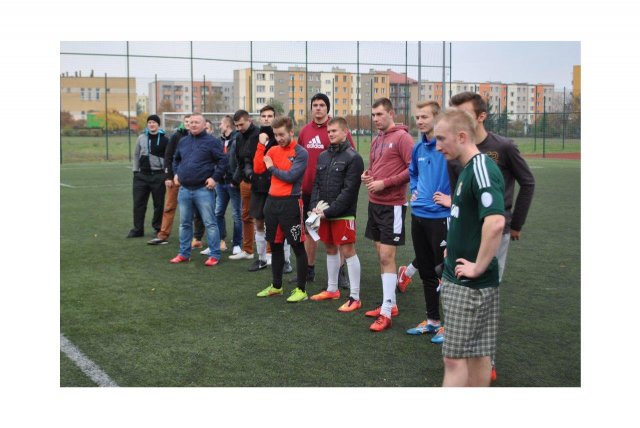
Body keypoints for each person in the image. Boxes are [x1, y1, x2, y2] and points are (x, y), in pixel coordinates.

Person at [433, 108, 505, 387]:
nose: (438, 146)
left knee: (454, 360)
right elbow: (468, 216)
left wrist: (478, 267)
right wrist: (452, 246)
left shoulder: (481, 168)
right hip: (461, 279)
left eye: (442, 139)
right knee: (477, 354)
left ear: (461, 136)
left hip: (469, 286)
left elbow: (495, 222)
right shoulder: (468, 169)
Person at [448, 92, 535, 282]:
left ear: (482, 116)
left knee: (487, 283)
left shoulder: (504, 147)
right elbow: (456, 196)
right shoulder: (454, 150)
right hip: (465, 230)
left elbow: (528, 182)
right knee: (460, 281)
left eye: (464, 114)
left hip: (494, 228)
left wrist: (516, 223)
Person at [361, 98, 414, 332]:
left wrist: (385, 183)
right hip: (375, 204)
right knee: (380, 256)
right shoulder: (377, 139)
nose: (375, 119)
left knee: (386, 257)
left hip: (393, 205)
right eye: (373, 115)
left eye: (380, 114)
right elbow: (375, 168)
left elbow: (412, 169)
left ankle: (386, 312)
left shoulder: (403, 138)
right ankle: (389, 304)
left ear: (391, 113)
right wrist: (368, 175)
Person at [401, 101, 452, 338]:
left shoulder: (448, 148)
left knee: (444, 272)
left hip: (440, 217)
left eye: (424, 117)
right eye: (417, 117)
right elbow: (413, 173)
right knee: (427, 273)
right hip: (418, 215)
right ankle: (432, 320)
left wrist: (452, 199)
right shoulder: (418, 148)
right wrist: (414, 190)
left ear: (437, 118)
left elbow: (464, 175)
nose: (419, 121)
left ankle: (451, 327)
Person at [295, 93, 355, 285]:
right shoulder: (305, 131)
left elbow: (350, 156)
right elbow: (297, 158)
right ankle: (308, 270)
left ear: (327, 108)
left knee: (337, 235)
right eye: (315, 105)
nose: (318, 108)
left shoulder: (335, 129)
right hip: (308, 191)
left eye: (322, 105)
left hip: (332, 193)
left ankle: (340, 272)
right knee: (309, 231)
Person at [308, 117, 364, 312]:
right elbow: (316, 184)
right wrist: (314, 207)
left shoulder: (354, 158)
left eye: (334, 131)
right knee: (330, 248)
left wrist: (328, 212)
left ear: (345, 132)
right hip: (324, 213)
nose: (330, 134)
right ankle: (332, 289)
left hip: (343, 214)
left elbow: (349, 192)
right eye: (329, 131)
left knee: (348, 251)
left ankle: (355, 297)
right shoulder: (323, 156)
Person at [254, 116, 309, 303]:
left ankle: (301, 290)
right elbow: (258, 169)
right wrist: (261, 146)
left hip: (291, 203)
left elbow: (291, 176)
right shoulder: (272, 149)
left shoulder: (301, 152)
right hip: (272, 203)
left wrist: (272, 168)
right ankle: (277, 286)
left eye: (282, 134)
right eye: (276, 135)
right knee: (275, 244)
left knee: (297, 246)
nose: (279, 138)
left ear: (291, 132)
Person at [168, 113, 227, 266]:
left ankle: (214, 255)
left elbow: (223, 161)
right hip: (184, 189)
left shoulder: (212, 142)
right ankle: (184, 254)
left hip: (203, 190)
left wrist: (215, 178)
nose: (193, 124)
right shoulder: (183, 141)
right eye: (191, 122)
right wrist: (176, 173)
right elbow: (176, 159)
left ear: (204, 124)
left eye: (197, 122)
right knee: (184, 224)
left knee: (210, 223)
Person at [244, 105, 290, 273]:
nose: (266, 118)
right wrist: (250, 174)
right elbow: (247, 159)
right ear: (260, 118)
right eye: (263, 116)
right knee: (259, 223)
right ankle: (262, 259)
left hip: (277, 187)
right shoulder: (255, 137)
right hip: (258, 187)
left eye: (270, 116)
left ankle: (286, 261)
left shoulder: (280, 137)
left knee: (281, 225)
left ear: (275, 117)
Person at [201, 115, 242, 256]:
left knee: (236, 214)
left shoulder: (237, 139)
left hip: (233, 183)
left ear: (228, 125)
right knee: (218, 212)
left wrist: (235, 179)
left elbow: (239, 161)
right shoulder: (219, 141)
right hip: (221, 182)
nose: (219, 126)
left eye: (221, 124)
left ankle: (237, 244)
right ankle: (217, 242)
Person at [147, 115, 190, 245]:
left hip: (193, 179)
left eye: (192, 122)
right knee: (169, 207)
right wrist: (168, 176)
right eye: (187, 121)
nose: (189, 124)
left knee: (195, 210)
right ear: (183, 123)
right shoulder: (176, 136)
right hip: (175, 178)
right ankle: (163, 235)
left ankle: (196, 238)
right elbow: (168, 156)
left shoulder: (199, 138)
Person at [128, 114, 169, 238]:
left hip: (158, 176)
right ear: (147, 124)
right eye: (149, 122)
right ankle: (138, 229)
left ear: (158, 124)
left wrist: (166, 174)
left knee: (158, 204)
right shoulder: (141, 138)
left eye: (154, 122)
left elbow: (168, 157)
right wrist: (136, 171)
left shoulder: (165, 139)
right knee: (138, 204)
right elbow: (136, 155)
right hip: (141, 176)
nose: (151, 124)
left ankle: (157, 228)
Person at [228, 110, 258, 261]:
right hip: (245, 182)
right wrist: (236, 180)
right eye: (236, 125)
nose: (239, 128)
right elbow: (240, 162)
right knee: (246, 216)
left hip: (260, 183)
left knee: (264, 218)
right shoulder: (238, 137)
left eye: (241, 124)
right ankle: (248, 250)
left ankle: (269, 253)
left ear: (249, 120)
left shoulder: (259, 134)